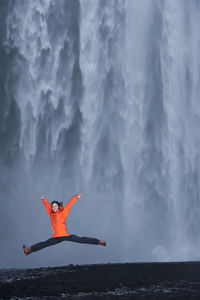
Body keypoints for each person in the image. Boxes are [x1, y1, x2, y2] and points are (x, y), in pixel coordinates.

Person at [23, 193, 106, 255]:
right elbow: (47, 206)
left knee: (81, 239)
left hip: (65, 235)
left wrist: (76, 197)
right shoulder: (51, 213)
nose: (54, 207)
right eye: (53, 206)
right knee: (44, 244)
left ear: (58, 207)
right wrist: (44, 200)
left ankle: (98, 242)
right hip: (56, 237)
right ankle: (29, 250)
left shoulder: (63, 213)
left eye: (55, 206)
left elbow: (69, 205)